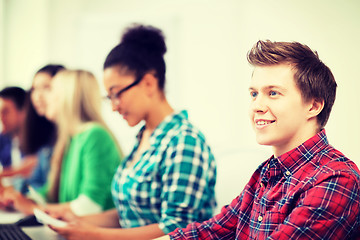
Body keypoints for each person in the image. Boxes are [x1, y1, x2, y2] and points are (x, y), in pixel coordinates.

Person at [155, 40, 360, 240]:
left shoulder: (336, 179)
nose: (256, 106)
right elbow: (213, 230)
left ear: (314, 106)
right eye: (254, 94)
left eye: (273, 93)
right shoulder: (267, 172)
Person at [50, 24, 217, 240]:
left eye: (117, 93)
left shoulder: (184, 141)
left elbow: (177, 229)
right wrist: (76, 221)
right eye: (109, 97)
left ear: (148, 82)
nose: (113, 106)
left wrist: (94, 234)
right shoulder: (143, 137)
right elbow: (129, 215)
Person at [1, 69, 122, 217]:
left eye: (50, 90)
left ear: (68, 96)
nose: (44, 98)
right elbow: (51, 193)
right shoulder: (71, 139)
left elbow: (90, 206)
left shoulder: (95, 135)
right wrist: (22, 200)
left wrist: (33, 209)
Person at [17, 64, 65, 193]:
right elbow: (35, 183)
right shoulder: (48, 134)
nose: (37, 96)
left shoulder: (74, 136)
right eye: (34, 89)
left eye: (46, 87)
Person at [0, 87, 26, 185]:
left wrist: (3, 174)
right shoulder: (3, 139)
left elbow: (32, 165)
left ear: (23, 111)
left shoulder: (37, 138)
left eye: (5, 111)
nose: (1, 118)